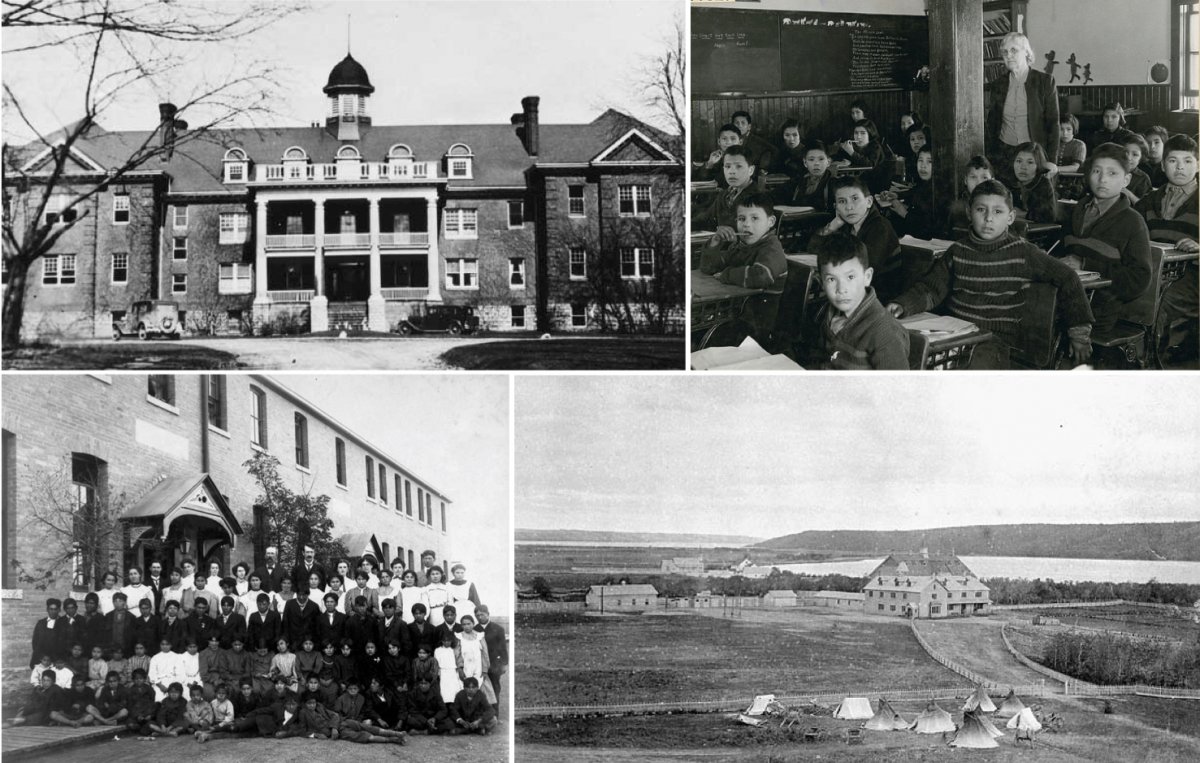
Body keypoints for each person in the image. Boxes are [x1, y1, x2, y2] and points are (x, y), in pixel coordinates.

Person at [888, 179, 1093, 369]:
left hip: (995, 344)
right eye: (980, 210)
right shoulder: (957, 251)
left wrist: (1079, 334)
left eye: (997, 212)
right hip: (956, 337)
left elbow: (1068, 277)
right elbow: (930, 289)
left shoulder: (1023, 252)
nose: (988, 219)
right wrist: (902, 305)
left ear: (1010, 217)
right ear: (969, 212)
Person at [1062, 143, 1153, 336]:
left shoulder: (1133, 222)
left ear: (1126, 180)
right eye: (1096, 171)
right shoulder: (1078, 211)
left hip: (1100, 307)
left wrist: (1087, 265)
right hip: (1068, 297)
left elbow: (1139, 279)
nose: (1102, 179)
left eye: (1112, 174)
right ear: (1088, 175)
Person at [805, 232, 910, 370]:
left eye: (850, 277)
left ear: (867, 277)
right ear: (821, 282)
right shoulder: (827, 314)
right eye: (831, 279)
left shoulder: (885, 333)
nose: (841, 289)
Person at [1135, 134, 1199, 361]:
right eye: (1173, 161)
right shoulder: (1150, 200)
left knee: (1156, 304)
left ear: (1198, 164)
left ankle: (1151, 364)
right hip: (1153, 272)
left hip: (1192, 277)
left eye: (1188, 161)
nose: (1180, 167)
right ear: (1162, 165)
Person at [697, 192, 788, 345]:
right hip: (735, 314)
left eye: (755, 218)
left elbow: (761, 276)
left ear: (771, 222)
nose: (746, 224)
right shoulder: (740, 246)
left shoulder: (772, 248)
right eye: (741, 219)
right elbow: (707, 268)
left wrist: (726, 275)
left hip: (758, 325)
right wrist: (715, 241)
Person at [985, 32, 1060, 183]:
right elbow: (992, 124)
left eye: (1014, 50)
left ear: (1026, 52)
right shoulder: (999, 84)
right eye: (1005, 52)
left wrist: (1052, 160)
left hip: (1035, 154)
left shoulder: (1044, 82)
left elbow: (1053, 123)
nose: (1009, 56)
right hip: (1004, 154)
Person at [816, 175, 903, 303]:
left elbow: (865, 266)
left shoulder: (880, 227)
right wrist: (831, 227)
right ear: (836, 207)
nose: (849, 207)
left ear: (869, 202)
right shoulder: (845, 224)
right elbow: (813, 249)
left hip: (879, 296)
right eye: (842, 201)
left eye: (855, 199)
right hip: (853, 289)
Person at [692, 146, 758, 232]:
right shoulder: (724, 194)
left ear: (751, 170)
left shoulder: (758, 197)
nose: (731, 171)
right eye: (727, 166)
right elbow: (704, 219)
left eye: (738, 166)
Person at [879, 145, 939, 239]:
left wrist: (904, 212)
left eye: (929, 161)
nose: (923, 165)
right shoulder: (924, 183)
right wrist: (896, 195)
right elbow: (914, 193)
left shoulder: (938, 190)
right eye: (920, 160)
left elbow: (928, 227)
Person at [773, 139, 835, 212]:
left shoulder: (834, 184)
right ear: (805, 163)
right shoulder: (797, 182)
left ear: (828, 162)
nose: (816, 163)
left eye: (821, 159)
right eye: (811, 159)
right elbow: (774, 195)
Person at [834, 118, 893, 193]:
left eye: (863, 133)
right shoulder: (853, 145)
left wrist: (852, 152)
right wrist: (834, 159)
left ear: (870, 134)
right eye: (856, 133)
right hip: (857, 182)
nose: (858, 136)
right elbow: (838, 156)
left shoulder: (875, 147)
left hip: (875, 185)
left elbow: (869, 164)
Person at [1010, 141, 1058, 223]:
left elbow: (1048, 216)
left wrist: (1022, 214)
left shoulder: (1043, 184)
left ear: (1038, 165)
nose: (1023, 167)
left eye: (1030, 162)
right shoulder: (1009, 182)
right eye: (1018, 161)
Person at [475, 605, 507, 713]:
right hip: (479, 665)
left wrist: (503, 664)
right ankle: (483, 715)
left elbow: (503, 648)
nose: (480, 617)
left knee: (494, 688)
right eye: (477, 615)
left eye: (482, 614)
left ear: (488, 614)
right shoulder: (475, 629)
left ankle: (494, 714)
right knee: (480, 689)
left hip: (494, 664)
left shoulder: (498, 629)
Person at [30, 598, 66, 668]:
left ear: (59, 610)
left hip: (56, 660)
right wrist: (41, 657)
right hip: (40, 659)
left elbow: (63, 643)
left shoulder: (63, 623)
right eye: (51, 609)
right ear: (47, 609)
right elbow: (35, 642)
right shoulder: (41, 623)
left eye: (55, 609)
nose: (53, 611)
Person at [1121, 134, 1154, 200]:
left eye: (1135, 155)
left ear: (1141, 158)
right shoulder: (1112, 171)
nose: (1129, 158)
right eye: (1125, 152)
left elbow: (1145, 206)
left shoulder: (1143, 179)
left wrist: (1128, 194)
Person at [148, 638, 181, 702]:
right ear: (160, 645)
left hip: (173, 682)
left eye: (167, 644)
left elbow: (179, 672)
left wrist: (173, 686)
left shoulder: (177, 657)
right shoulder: (155, 658)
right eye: (163, 644)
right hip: (159, 683)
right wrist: (160, 686)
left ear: (171, 645)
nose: (165, 646)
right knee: (158, 698)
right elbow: (152, 674)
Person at [434, 632, 461, 704]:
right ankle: (446, 705)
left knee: (455, 688)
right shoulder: (438, 650)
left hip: (452, 672)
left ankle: (454, 705)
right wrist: (438, 673)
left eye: (448, 641)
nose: (446, 642)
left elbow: (457, 661)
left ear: (451, 641)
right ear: (441, 641)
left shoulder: (453, 650)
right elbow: (436, 663)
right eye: (444, 641)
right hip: (443, 672)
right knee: (444, 690)